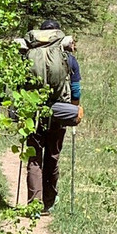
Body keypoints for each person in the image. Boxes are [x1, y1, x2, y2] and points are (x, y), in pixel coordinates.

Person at [24, 19, 72, 213]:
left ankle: (34, 205)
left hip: (33, 112)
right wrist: (73, 111)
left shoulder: (29, 54)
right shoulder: (66, 55)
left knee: (34, 158)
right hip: (59, 111)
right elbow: (75, 87)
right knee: (52, 156)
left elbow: (20, 84)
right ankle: (49, 201)